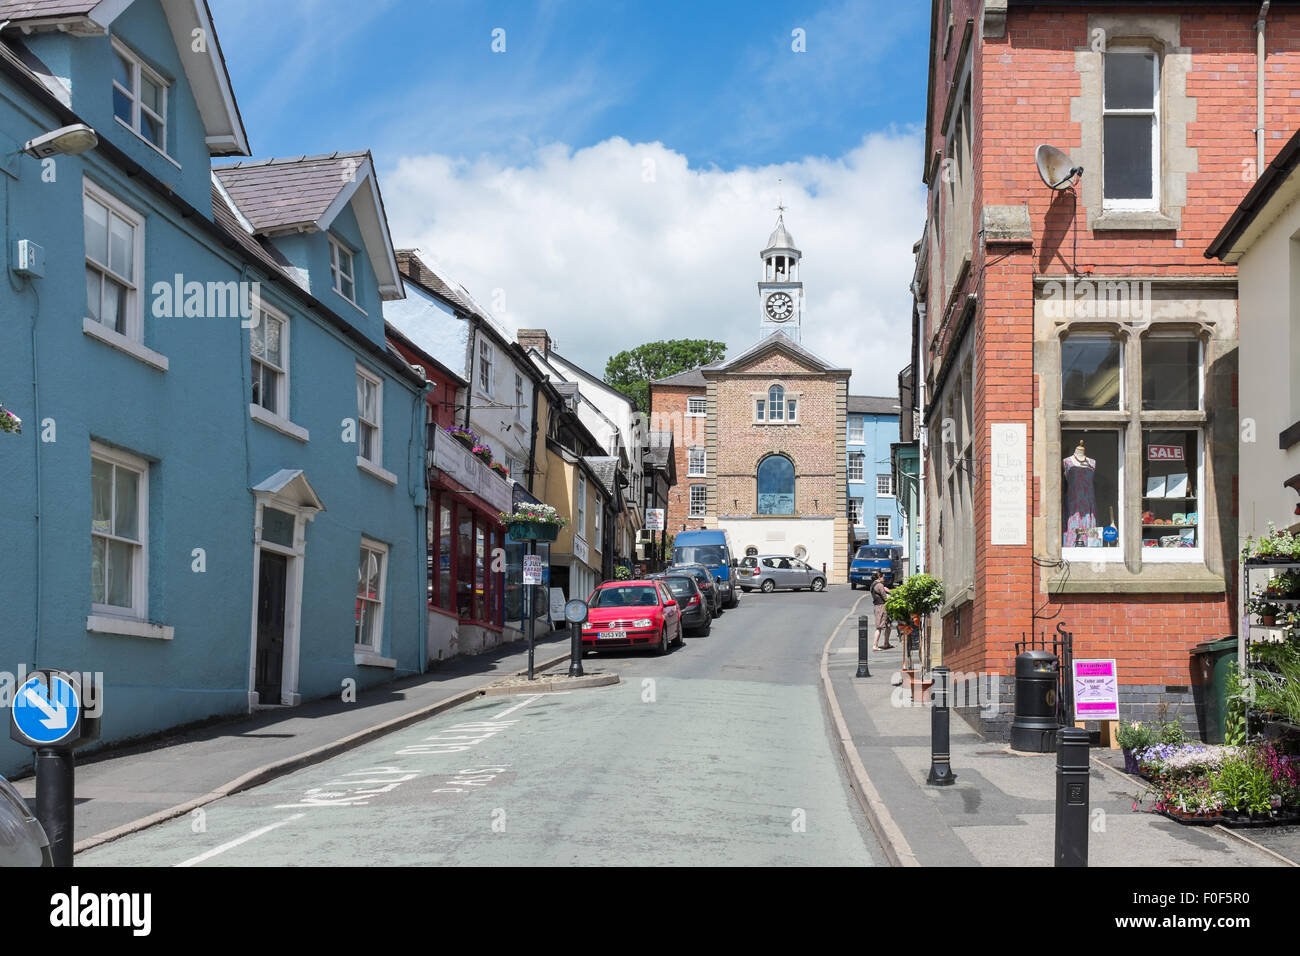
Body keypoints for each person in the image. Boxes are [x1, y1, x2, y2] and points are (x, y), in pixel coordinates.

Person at [870, 571, 894, 650]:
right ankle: (875, 645)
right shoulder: (879, 585)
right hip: (881, 607)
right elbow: (885, 597)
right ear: (879, 578)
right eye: (883, 577)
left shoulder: (873, 584)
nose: (884, 579)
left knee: (888, 625)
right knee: (879, 627)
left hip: (878, 606)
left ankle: (886, 643)